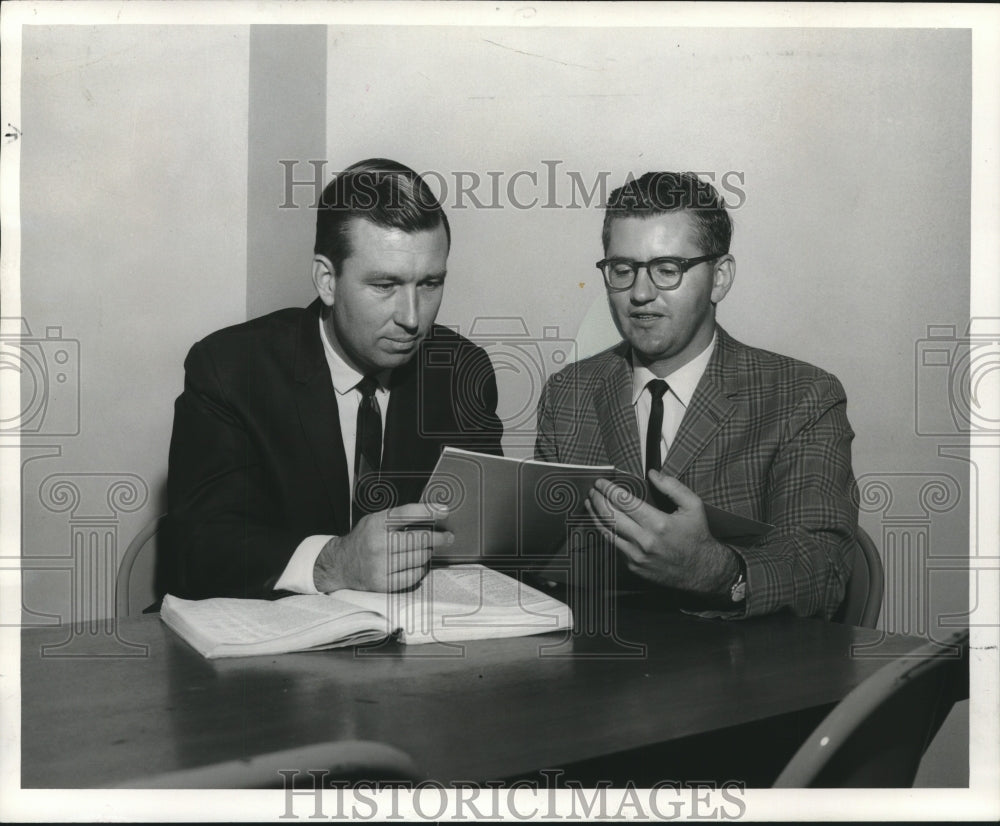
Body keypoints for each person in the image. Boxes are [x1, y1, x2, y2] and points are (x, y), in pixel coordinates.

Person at [164, 159, 503, 600]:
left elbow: (487, 538)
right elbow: (202, 550)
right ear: (327, 280)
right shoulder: (231, 370)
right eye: (385, 285)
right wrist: (337, 562)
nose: (412, 317)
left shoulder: (460, 371)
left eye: (429, 284)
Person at [534, 171, 858, 619]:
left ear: (720, 278)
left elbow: (824, 572)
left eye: (668, 270)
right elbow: (548, 559)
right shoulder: (567, 394)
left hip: (742, 675)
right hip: (602, 668)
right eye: (622, 270)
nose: (641, 294)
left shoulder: (801, 396)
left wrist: (716, 570)